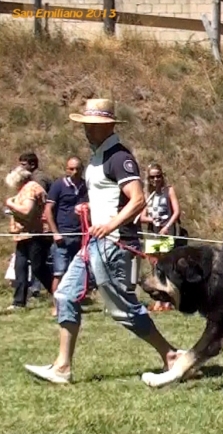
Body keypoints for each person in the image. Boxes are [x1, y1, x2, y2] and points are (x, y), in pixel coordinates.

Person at [24, 99, 183, 384]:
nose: (86, 129)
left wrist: (109, 224)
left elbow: (136, 200)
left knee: (122, 309)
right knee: (65, 295)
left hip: (113, 243)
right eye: (85, 123)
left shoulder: (119, 157)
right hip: (93, 243)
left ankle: (170, 355)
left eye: (92, 125)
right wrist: (87, 209)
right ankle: (62, 367)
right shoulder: (97, 157)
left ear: (108, 125)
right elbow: (106, 196)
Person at [4, 166, 54, 311]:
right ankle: (19, 301)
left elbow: (27, 211)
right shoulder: (24, 190)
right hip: (23, 235)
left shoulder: (31, 188)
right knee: (20, 267)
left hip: (36, 234)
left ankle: (60, 293)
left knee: (39, 268)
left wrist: (10, 203)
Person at [44, 156, 89, 317]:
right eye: (71, 168)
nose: (75, 172)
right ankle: (57, 306)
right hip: (63, 236)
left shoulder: (85, 186)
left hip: (81, 235)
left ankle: (74, 303)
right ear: (66, 169)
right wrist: (55, 232)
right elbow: (48, 209)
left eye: (78, 168)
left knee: (77, 272)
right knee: (59, 272)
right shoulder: (58, 185)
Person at [140, 163, 180, 311]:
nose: (156, 179)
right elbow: (142, 216)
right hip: (152, 233)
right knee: (155, 267)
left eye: (158, 176)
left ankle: (168, 300)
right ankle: (158, 300)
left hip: (166, 233)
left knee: (165, 266)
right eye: (152, 177)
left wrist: (167, 226)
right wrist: (151, 219)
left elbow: (176, 212)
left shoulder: (168, 191)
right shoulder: (147, 195)